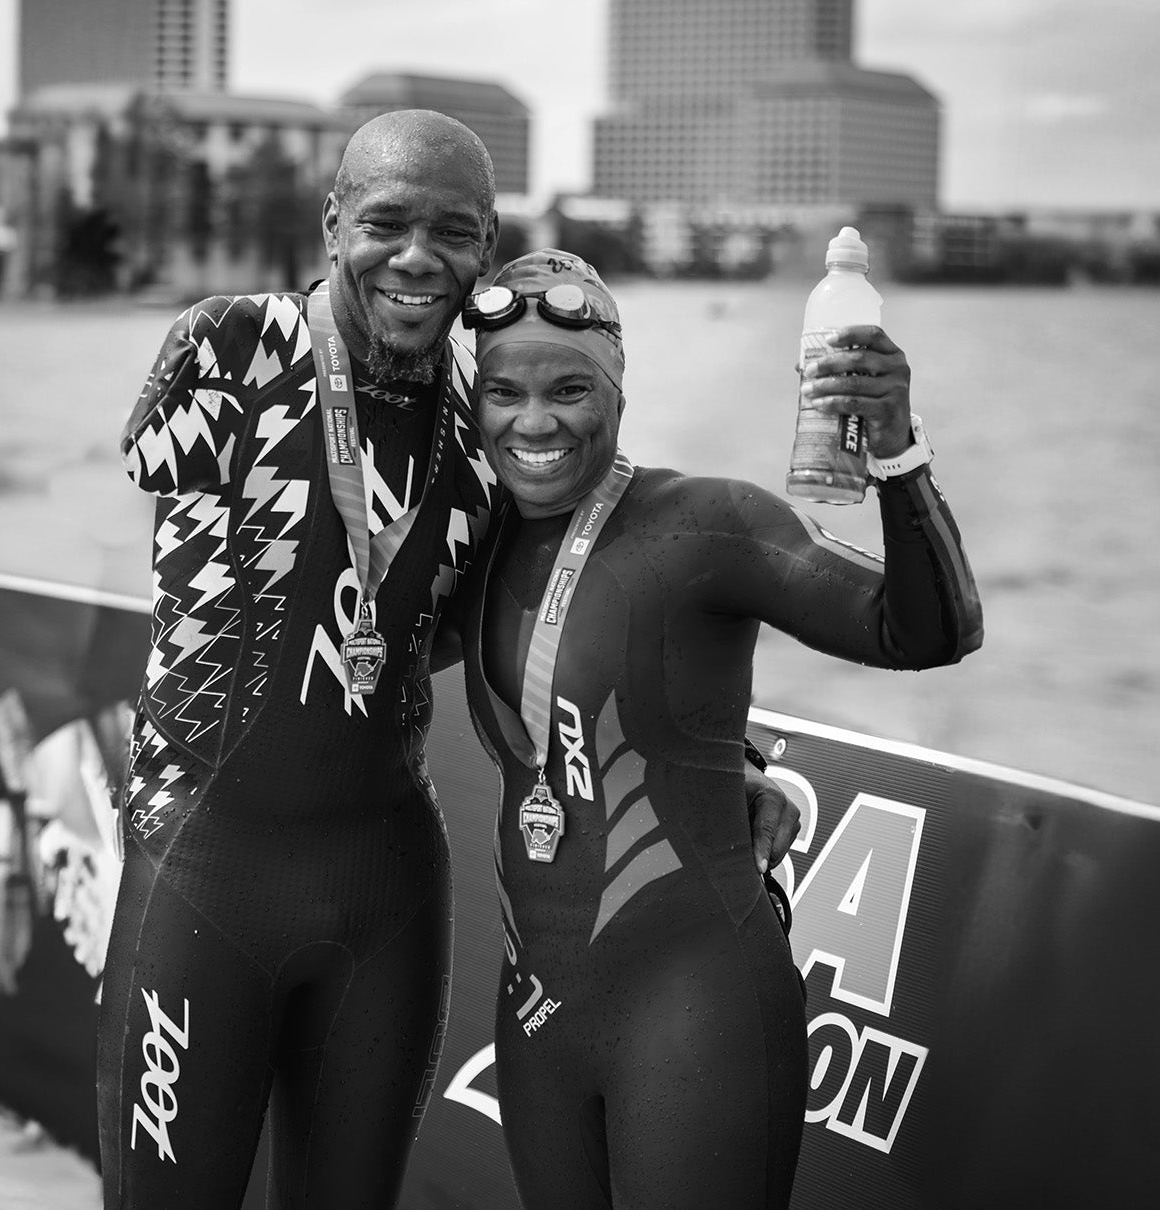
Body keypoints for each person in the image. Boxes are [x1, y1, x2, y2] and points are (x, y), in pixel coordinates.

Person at [103, 113, 801, 1208]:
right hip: (201, 865)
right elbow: (182, 544)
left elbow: (540, 620)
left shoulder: (486, 432)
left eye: (454, 231)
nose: (417, 256)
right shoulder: (228, 346)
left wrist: (729, 757)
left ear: (487, 252)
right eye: (384, 222)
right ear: (333, 224)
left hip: (382, 892)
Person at [454, 250, 983, 1209]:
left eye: (571, 389)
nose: (535, 423)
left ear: (618, 390)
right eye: (504, 392)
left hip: (695, 1005)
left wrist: (899, 456)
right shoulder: (475, 541)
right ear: (475, 400)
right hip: (536, 1011)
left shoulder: (702, 524)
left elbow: (929, 630)